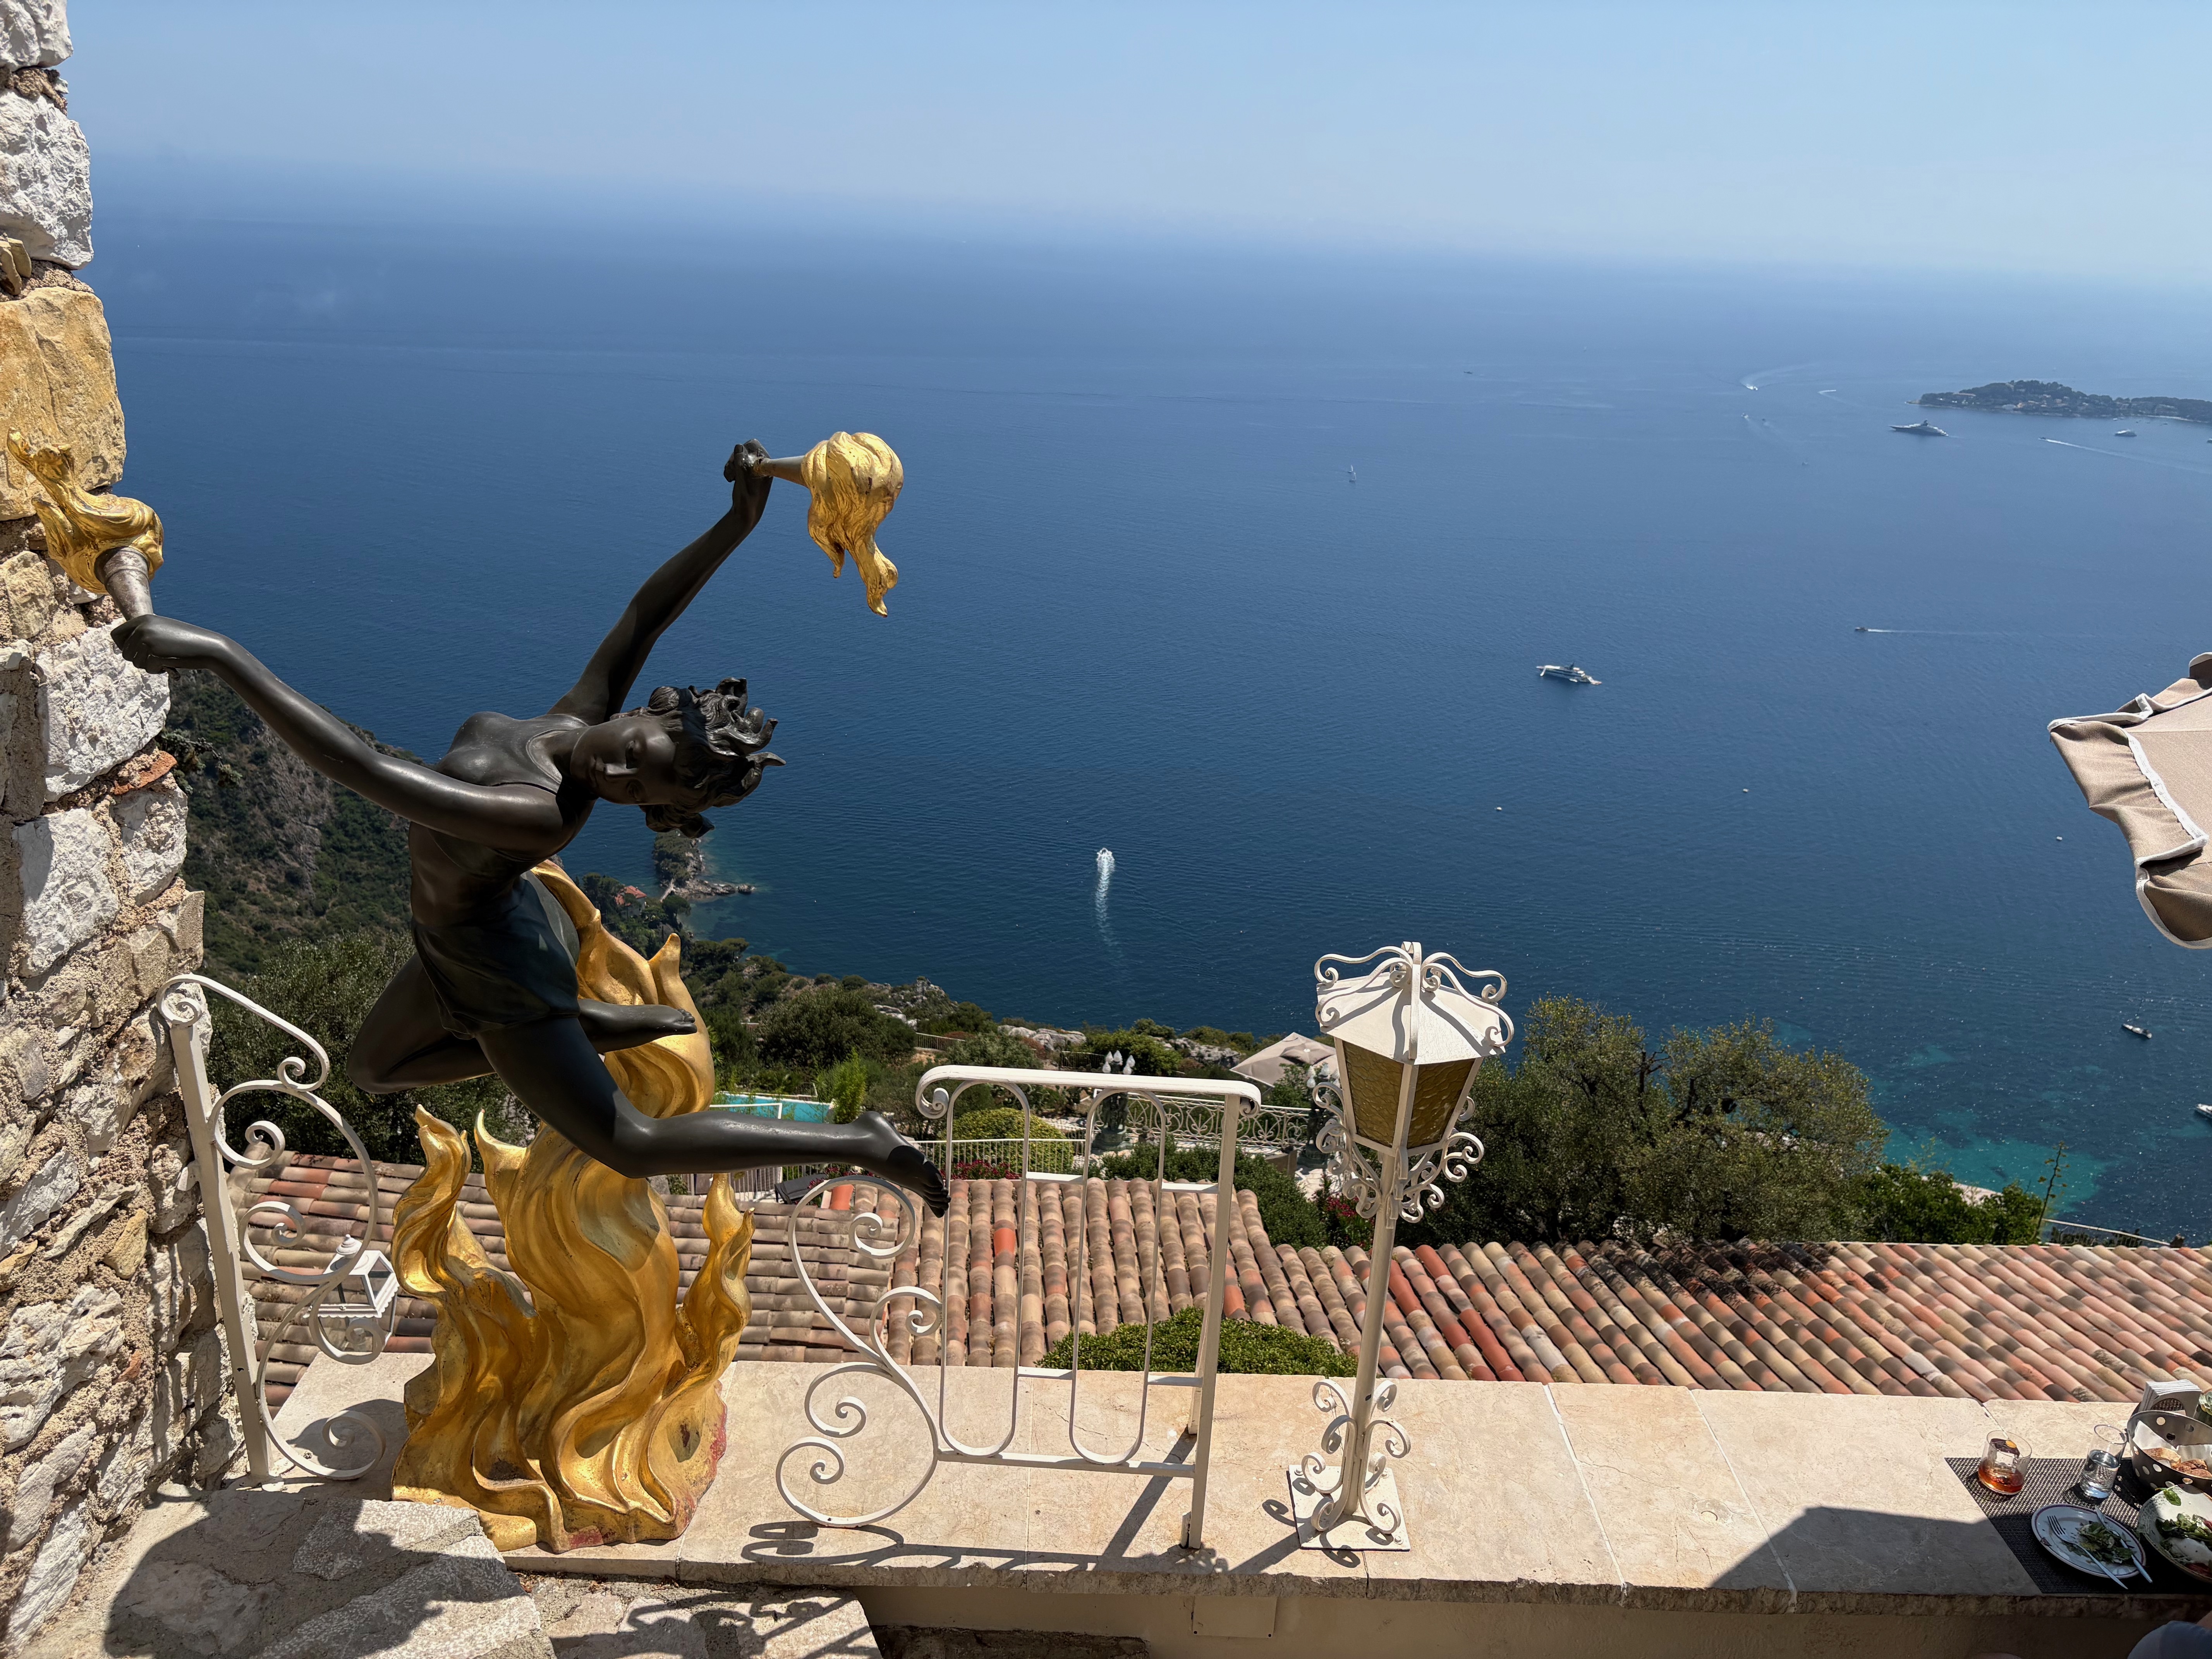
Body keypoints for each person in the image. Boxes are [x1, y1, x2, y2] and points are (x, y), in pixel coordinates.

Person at [115, 440, 947, 1215]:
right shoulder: (574, 724)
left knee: (632, 1143)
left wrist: (223, 654)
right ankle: (585, 1026)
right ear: (649, 706)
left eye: (634, 789)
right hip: (479, 928)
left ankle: (860, 1143)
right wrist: (738, 519)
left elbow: (370, 773)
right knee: (372, 1069)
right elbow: (648, 613)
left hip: (493, 959)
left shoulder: (537, 813)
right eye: (639, 751)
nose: (616, 772)